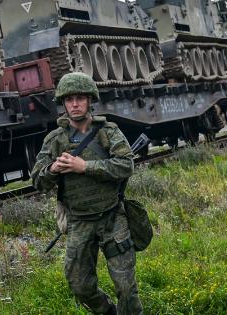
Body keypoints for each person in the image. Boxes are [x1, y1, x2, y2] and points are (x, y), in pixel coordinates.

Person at [31, 72, 143, 314]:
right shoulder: (55, 140)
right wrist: (52, 169)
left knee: (126, 286)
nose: (74, 104)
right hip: (79, 221)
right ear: (63, 103)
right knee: (80, 286)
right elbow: (38, 181)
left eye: (80, 98)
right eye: (69, 99)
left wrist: (86, 167)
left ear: (90, 100)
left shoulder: (108, 132)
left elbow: (126, 165)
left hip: (113, 218)